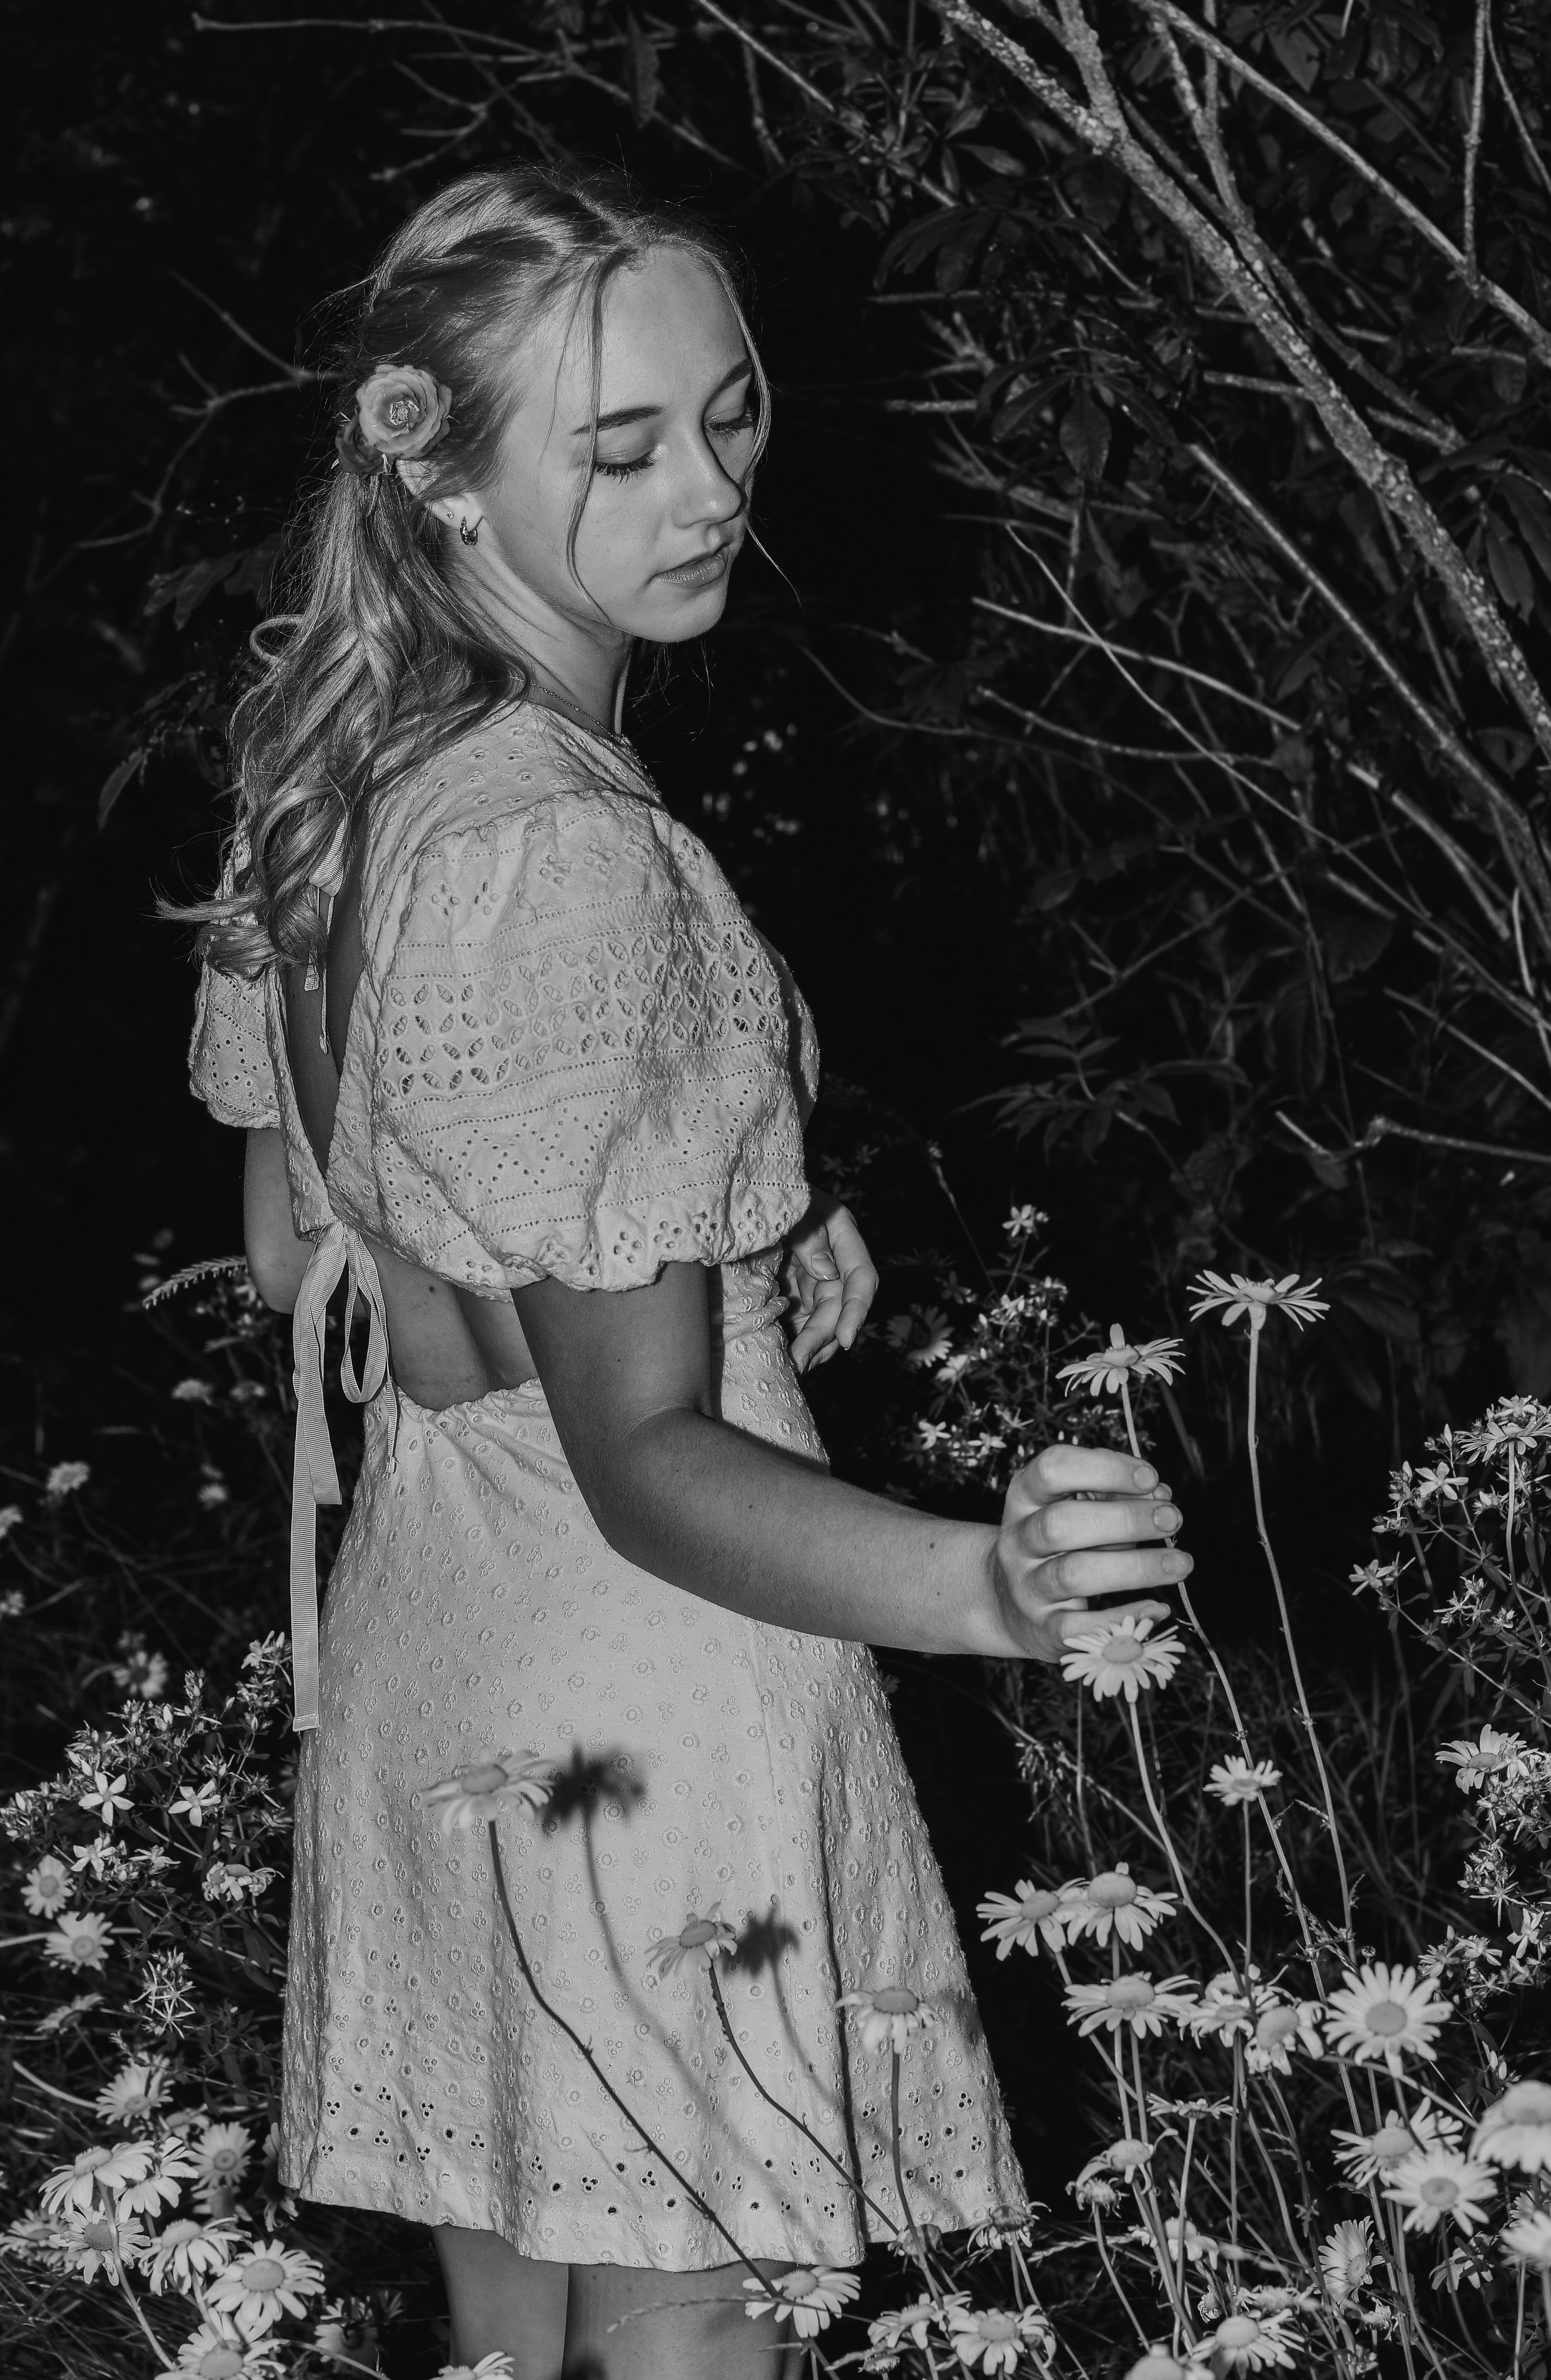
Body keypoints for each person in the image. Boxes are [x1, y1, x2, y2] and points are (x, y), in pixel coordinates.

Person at [180, 162, 1191, 2380]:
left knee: (512, 2347)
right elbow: (646, 1458)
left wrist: (710, 1218)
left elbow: (302, 1250)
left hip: (444, 1652)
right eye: (619, 448)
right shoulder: (570, 854)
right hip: (646, 1683)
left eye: (729, 418)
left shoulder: (331, 773)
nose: (707, 488)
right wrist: (983, 1594)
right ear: (438, 471)